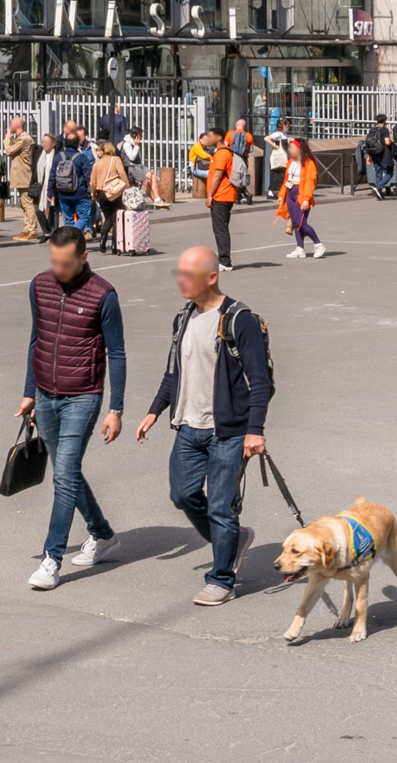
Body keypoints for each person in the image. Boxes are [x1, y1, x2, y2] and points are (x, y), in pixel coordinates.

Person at [135, 243, 270, 608]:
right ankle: (233, 539)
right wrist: (154, 410)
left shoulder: (240, 320)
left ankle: (222, 578)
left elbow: (261, 381)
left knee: (221, 507)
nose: (180, 280)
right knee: (182, 495)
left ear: (212, 277)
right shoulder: (183, 317)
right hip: (188, 427)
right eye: (178, 273)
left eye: (188, 275)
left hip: (228, 431)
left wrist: (254, 430)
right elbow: (173, 372)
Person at [16, 225, 125, 589]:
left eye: (65, 263)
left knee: (63, 476)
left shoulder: (103, 295)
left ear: (83, 258)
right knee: (68, 473)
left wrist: (117, 408)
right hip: (45, 396)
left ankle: (51, 559)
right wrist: (30, 391)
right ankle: (103, 533)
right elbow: (36, 340)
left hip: (84, 396)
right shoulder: (40, 286)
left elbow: (118, 353)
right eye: (53, 262)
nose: (58, 269)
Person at [203, 119, 245, 272]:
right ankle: (224, 259)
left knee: (220, 229)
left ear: (219, 137)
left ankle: (225, 261)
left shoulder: (221, 154)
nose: (207, 139)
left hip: (221, 196)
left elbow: (217, 176)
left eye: (210, 136)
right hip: (226, 195)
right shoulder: (224, 153)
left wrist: (210, 195)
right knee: (222, 228)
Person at [281, 136, 323, 260]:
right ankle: (300, 248)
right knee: (295, 222)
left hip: (300, 192)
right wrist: (282, 195)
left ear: (299, 149)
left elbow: (310, 182)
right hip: (290, 192)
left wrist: (306, 198)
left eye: (292, 147)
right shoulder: (291, 162)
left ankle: (318, 244)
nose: (290, 150)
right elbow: (286, 180)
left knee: (301, 223)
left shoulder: (309, 163)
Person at [49, 122, 94, 233]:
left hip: (63, 192)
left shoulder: (58, 157)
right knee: (84, 216)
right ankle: (73, 233)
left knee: (68, 219)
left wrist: (50, 192)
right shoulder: (82, 158)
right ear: (77, 144)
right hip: (79, 193)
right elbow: (89, 176)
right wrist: (92, 191)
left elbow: (52, 176)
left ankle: (69, 237)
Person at [88, 137, 131, 251]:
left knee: (107, 218)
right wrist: (127, 186)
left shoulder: (96, 165)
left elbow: (92, 182)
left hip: (102, 193)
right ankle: (114, 244)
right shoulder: (116, 159)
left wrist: (94, 194)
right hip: (115, 192)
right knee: (116, 217)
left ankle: (103, 239)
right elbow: (122, 173)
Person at [7, 116, 41, 242]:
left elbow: (9, 151)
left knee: (27, 203)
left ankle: (32, 230)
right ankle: (27, 229)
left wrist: (7, 139)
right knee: (24, 203)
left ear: (17, 126)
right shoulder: (21, 138)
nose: (10, 125)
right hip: (20, 175)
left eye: (12, 124)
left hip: (24, 175)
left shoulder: (24, 138)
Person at [360, 116, 393, 200]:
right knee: (389, 172)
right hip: (382, 153)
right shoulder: (384, 130)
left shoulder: (372, 129)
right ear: (385, 121)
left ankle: (379, 194)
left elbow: (369, 143)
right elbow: (387, 142)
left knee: (378, 173)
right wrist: (391, 144)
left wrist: (369, 156)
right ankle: (379, 188)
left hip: (373, 153)